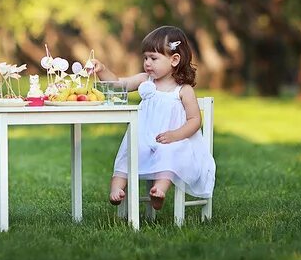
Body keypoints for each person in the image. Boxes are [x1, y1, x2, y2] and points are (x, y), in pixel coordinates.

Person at [92, 25, 216, 210]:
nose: (147, 63)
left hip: (172, 140)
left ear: (174, 60)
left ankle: (159, 189)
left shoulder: (183, 90)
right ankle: (116, 190)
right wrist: (101, 69)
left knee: (169, 154)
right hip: (144, 138)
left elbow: (195, 121)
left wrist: (175, 135)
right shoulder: (144, 80)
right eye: (146, 58)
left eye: (154, 58)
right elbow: (118, 85)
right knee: (128, 153)